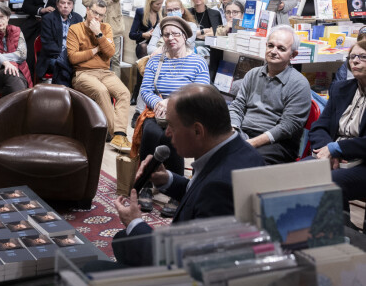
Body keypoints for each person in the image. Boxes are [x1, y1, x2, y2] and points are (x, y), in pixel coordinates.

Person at [112, 84, 265, 267]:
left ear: (198, 131)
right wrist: (167, 179)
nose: (167, 133)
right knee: (122, 240)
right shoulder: (239, 151)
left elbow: (185, 262)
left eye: (171, 126)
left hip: (189, 278)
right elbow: (199, 195)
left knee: (95, 265)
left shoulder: (220, 186)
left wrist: (135, 222)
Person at [134, 16, 209, 180]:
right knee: (150, 132)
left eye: (175, 34)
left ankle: (175, 183)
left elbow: (201, 94)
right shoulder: (155, 61)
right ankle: (146, 182)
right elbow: (145, 90)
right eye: (166, 35)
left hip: (186, 112)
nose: (170, 38)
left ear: (184, 35)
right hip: (158, 110)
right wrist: (158, 103)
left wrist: (173, 103)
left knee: (172, 134)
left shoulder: (198, 62)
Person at [229, 24, 312, 164]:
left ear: (293, 54)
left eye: (281, 48)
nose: (273, 51)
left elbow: (287, 127)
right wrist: (233, 130)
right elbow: (237, 106)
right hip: (243, 132)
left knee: (245, 160)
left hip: (277, 142)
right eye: (270, 45)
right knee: (208, 149)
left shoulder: (299, 84)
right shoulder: (252, 74)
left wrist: (251, 143)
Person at [309, 39, 366, 213]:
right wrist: (328, 151)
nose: (355, 61)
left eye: (363, 57)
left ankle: (339, 232)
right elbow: (319, 127)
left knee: (331, 182)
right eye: (352, 56)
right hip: (334, 158)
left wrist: (337, 148)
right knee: (295, 173)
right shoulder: (341, 89)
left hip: (363, 163)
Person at [67, 0, 131, 151]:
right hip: (83, 74)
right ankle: (118, 134)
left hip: (104, 72)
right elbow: (74, 58)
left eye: (101, 15)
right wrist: (96, 50)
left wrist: (98, 34)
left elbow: (109, 53)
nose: (97, 17)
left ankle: (119, 134)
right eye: (94, 12)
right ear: (87, 10)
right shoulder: (75, 29)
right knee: (101, 91)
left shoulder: (106, 28)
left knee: (124, 93)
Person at [21, 0, 72, 73]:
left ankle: (46, 75)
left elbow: (67, 7)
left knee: (48, 52)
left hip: (52, 25)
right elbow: (26, 6)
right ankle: (28, 79)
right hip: (34, 23)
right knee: (26, 51)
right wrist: (41, 10)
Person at [81, 0, 125, 78]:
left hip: (113, 24)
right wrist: (105, 0)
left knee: (114, 58)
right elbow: (86, 1)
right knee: (95, 56)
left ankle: (115, 88)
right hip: (94, 24)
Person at [0, 3, 32, 95]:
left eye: (2, 17)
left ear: (8, 17)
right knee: (11, 74)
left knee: (15, 78)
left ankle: (13, 108)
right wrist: (6, 63)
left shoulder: (17, 30)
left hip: (19, 71)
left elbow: (22, 55)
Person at [36, 0, 83, 84]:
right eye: (63, 3)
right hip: (52, 57)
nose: (66, 6)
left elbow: (81, 41)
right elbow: (48, 45)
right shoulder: (48, 19)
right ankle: (66, 95)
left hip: (73, 57)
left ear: (72, 5)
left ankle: (72, 95)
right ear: (57, 4)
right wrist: (66, 57)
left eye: (69, 3)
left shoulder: (78, 18)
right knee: (63, 66)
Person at [129, 0, 164, 105]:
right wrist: (144, 34)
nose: (159, 6)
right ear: (150, 2)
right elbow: (132, 34)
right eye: (157, 4)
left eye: (161, 4)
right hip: (143, 44)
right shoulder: (141, 12)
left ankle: (152, 93)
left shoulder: (161, 13)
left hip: (156, 45)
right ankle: (137, 92)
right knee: (144, 54)